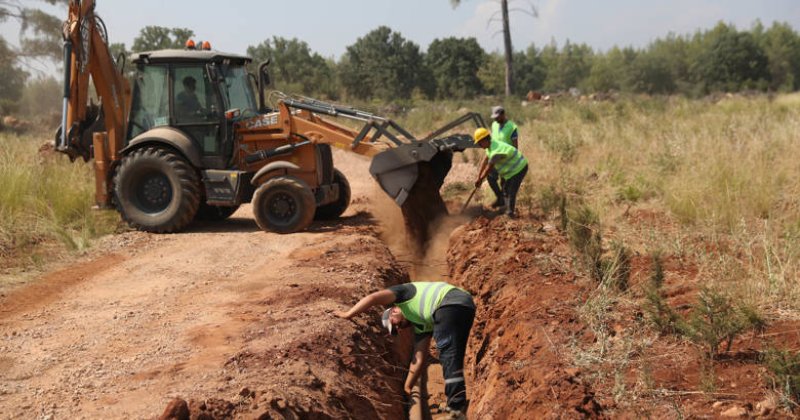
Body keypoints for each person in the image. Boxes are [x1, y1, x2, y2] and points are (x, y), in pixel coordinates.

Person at [334, 281, 475, 418]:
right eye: (395, 330)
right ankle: (457, 403)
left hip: (449, 303)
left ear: (394, 310)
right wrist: (408, 387)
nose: (398, 328)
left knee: (448, 356)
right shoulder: (421, 324)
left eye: (393, 324)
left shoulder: (403, 294)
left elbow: (373, 298)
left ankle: (456, 408)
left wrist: (348, 314)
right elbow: (418, 358)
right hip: (464, 304)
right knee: (453, 356)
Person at [473, 126, 528, 218]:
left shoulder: (495, 150)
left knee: (510, 191)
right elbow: (485, 161)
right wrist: (479, 177)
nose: (479, 145)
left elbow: (489, 168)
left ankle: (510, 214)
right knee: (506, 189)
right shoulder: (490, 145)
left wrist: (481, 180)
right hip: (511, 169)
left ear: (484, 140)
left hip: (519, 167)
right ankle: (505, 207)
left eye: (479, 143)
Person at [485, 105, 519, 209]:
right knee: (490, 178)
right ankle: (500, 198)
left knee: (504, 182)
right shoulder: (494, 125)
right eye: (494, 117)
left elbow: (515, 145)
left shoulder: (512, 127)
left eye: (497, 117)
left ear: (503, 114)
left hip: (506, 158)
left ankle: (507, 205)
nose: (495, 119)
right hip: (495, 157)